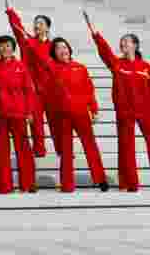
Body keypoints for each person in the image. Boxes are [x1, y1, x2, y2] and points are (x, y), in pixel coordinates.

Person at [84, 12, 150, 192]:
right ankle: (130, 183)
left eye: (126, 41)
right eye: (121, 42)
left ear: (135, 45)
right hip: (125, 112)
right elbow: (105, 51)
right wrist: (94, 33)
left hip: (146, 111)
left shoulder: (145, 66)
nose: (122, 44)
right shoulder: (117, 64)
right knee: (126, 147)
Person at [23, 35, 109, 193]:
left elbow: (89, 90)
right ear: (53, 53)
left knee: (91, 147)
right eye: (57, 48)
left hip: (81, 113)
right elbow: (39, 55)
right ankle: (67, 184)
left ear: (69, 49)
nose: (62, 50)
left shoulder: (80, 67)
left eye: (64, 47)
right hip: (62, 116)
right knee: (66, 151)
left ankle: (100, 179)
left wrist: (94, 109)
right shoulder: (51, 69)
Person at [5, 0, 53, 158]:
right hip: (32, 88)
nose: (36, 25)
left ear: (47, 28)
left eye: (40, 23)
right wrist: (10, 12)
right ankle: (39, 148)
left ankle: (62, 147)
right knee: (36, 120)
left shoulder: (54, 46)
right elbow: (17, 29)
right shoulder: (27, 42)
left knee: (55, 120)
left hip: (50, 88)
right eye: (35, 23)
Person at [0, 35, 39, 194]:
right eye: (2, 46)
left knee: (24, 149)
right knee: (2, 151)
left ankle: (29, 183)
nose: (5, 49)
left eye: (8, 46)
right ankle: (5, 185)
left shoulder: (21, 66)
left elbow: (29, 91)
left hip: (19, 113)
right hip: (0, 114)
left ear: (13, 48)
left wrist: (30, 111)